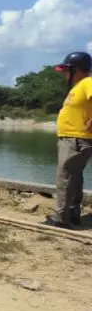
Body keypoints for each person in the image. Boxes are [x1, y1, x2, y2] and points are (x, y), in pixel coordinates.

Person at [45, 51, 92, 229]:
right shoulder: (77, 86)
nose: (64, 74)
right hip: (73, 139)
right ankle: (72, 215)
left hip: (76, 139)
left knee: (64, 178)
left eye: (66, 70)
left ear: (76, 69)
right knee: (74, 178)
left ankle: (61, 219)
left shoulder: (88, 82)